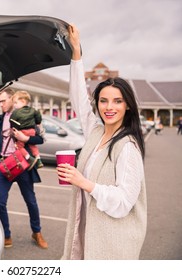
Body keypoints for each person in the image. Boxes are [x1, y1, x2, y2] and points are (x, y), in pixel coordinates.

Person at [58, 25, 147, 259]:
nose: (109, 107)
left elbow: (124, 202)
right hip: (90, 233)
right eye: (104, 101)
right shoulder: (96, 132)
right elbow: (78, 98)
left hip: (113, 245)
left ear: (127, 105)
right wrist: (76, 52)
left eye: (117, 101)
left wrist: (84, 182)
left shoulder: (127, 147)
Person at [0, 87, 48, 249]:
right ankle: (6, 234)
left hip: (24, 165)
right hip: (4, 165)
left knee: (31, 201)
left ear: (12, 99)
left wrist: (25, 138)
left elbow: (40, 139)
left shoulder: (27, 115)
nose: (0, 105)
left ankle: (37, 232)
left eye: (3, 101)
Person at [10, 90, 44, 169]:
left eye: (15, 103)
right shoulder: (33, 110)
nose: (14, 105)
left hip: (22, 131)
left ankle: (29, 158)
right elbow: (38, 117)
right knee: (33, 146)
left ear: (22, 101)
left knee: (19, 146)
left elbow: (12, 121)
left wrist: (14, 127)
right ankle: (38, 159)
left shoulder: (16, 112)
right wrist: (37, 122)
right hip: (32, 131)